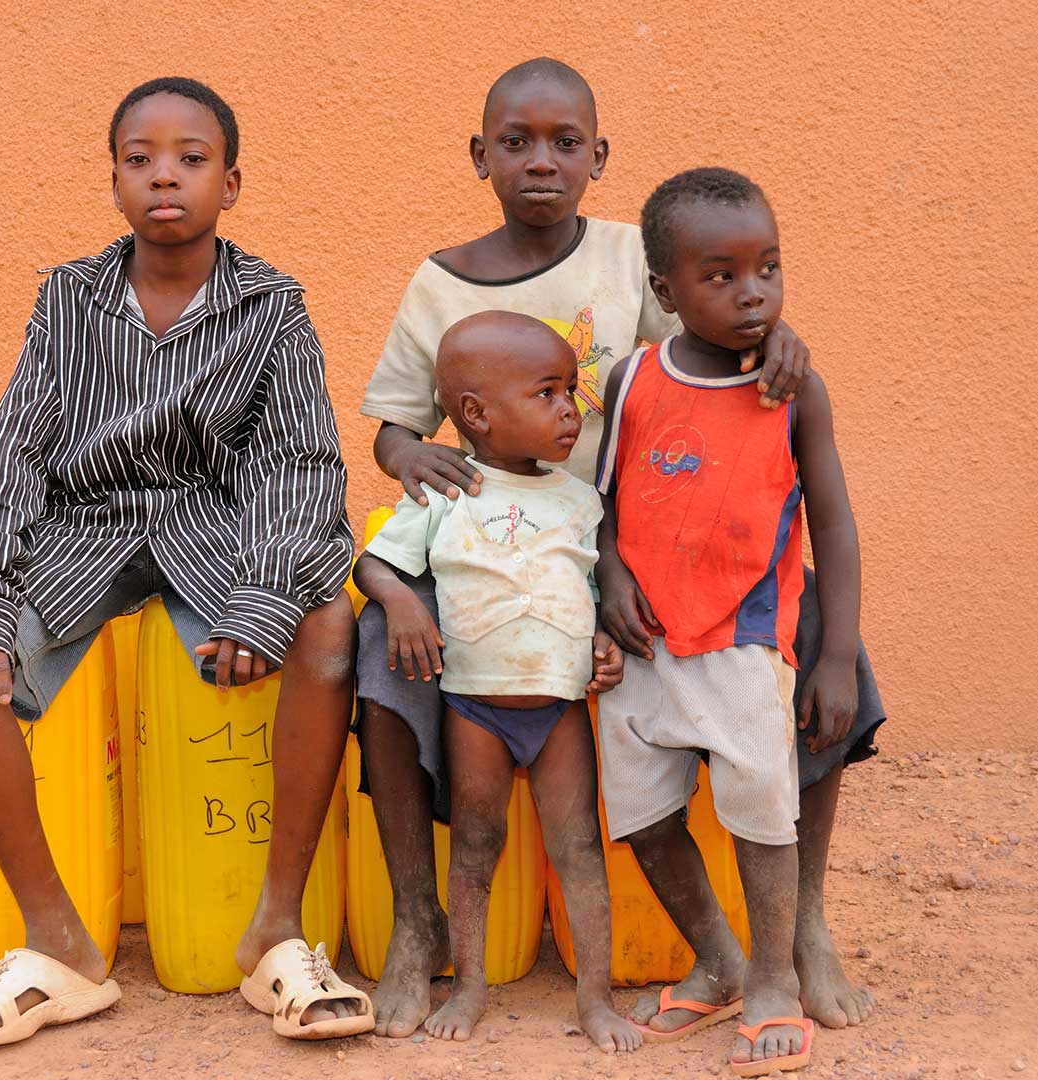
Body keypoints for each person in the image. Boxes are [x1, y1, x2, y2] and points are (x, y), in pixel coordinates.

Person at [354, 56, 817, 1038]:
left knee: (807, 622)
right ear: (480, 156)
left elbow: (712, 336)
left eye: (566, 143)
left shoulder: (630, 259)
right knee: (372, 649)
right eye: (516, 143)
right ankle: (413, 918)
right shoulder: (437, 284)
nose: (541, 161)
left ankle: (798, 927)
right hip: (483, 542)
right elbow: (393, 425)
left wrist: (781, 344)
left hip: (629, 541)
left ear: (598, 156)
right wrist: (419, 460)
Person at [0, 77, 369, 1048]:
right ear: (115, 181)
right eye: (140, 158)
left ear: (231, 183)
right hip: (87, 528)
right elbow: (15, 452)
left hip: (215, 531)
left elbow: (299, 462)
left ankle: (276, 934)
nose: (165, 175)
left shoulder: (271, 309)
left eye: (191, 159)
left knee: (326, 619)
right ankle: (61, 946)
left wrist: (263, 602)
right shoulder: (68, 300)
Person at [593, 167, 880, 1076]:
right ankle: (715, 958)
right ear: (665, 292)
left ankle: (772, 979)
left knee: (761, 812)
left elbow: (833, 522)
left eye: (769, 267)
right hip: (644, 644)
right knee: (641, 815)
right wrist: (606, 574)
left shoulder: (794, 390)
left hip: (746, 639)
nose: (751, 291)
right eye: (720, 276)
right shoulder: (631, 379)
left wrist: (836, 656)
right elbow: (600, 504)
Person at [353, 312, 639, 1052]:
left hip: (560, 712)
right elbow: (374, 564)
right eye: (548, 394)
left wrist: (607, 641)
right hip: (474, 708)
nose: (570, 411)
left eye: (571, 392)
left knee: (578, 848)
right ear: (476, 414)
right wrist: (402, 600)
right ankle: (472, 987)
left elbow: (601, 592)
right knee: (477, 846)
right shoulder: (445, 490)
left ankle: (595, 999)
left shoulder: (582, 502)